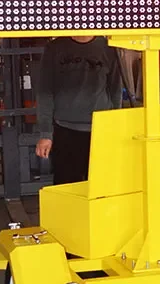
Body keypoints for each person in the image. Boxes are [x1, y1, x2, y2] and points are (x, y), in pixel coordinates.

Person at [34, 36, 123, 184]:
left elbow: (116, 90)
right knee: (67, 188)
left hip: (100, 130)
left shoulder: (109, 47)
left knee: (102, 187)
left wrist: (114, 127)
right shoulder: (54, 48)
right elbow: (44, 92)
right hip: (65, 130)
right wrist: (45, 134)